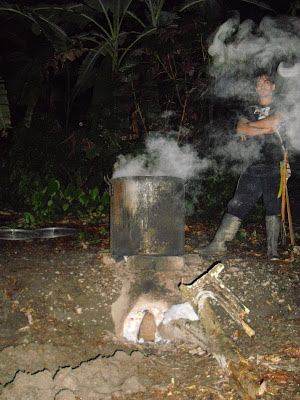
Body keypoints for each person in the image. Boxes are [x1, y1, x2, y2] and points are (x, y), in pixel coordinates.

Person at [196, 73, 287, 260]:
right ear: (255, 89)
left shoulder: (281, 106)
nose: (261, 86)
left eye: (266, 83)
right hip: (252, 164)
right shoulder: (249, 109)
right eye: (258, 84)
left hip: (275, 164)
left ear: (273, 87)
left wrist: (255, 128)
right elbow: (240, 129)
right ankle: (218, 244)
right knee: (237, 203)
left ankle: (272, 251)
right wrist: (265, 129)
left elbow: (274, 121)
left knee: (273, 206)